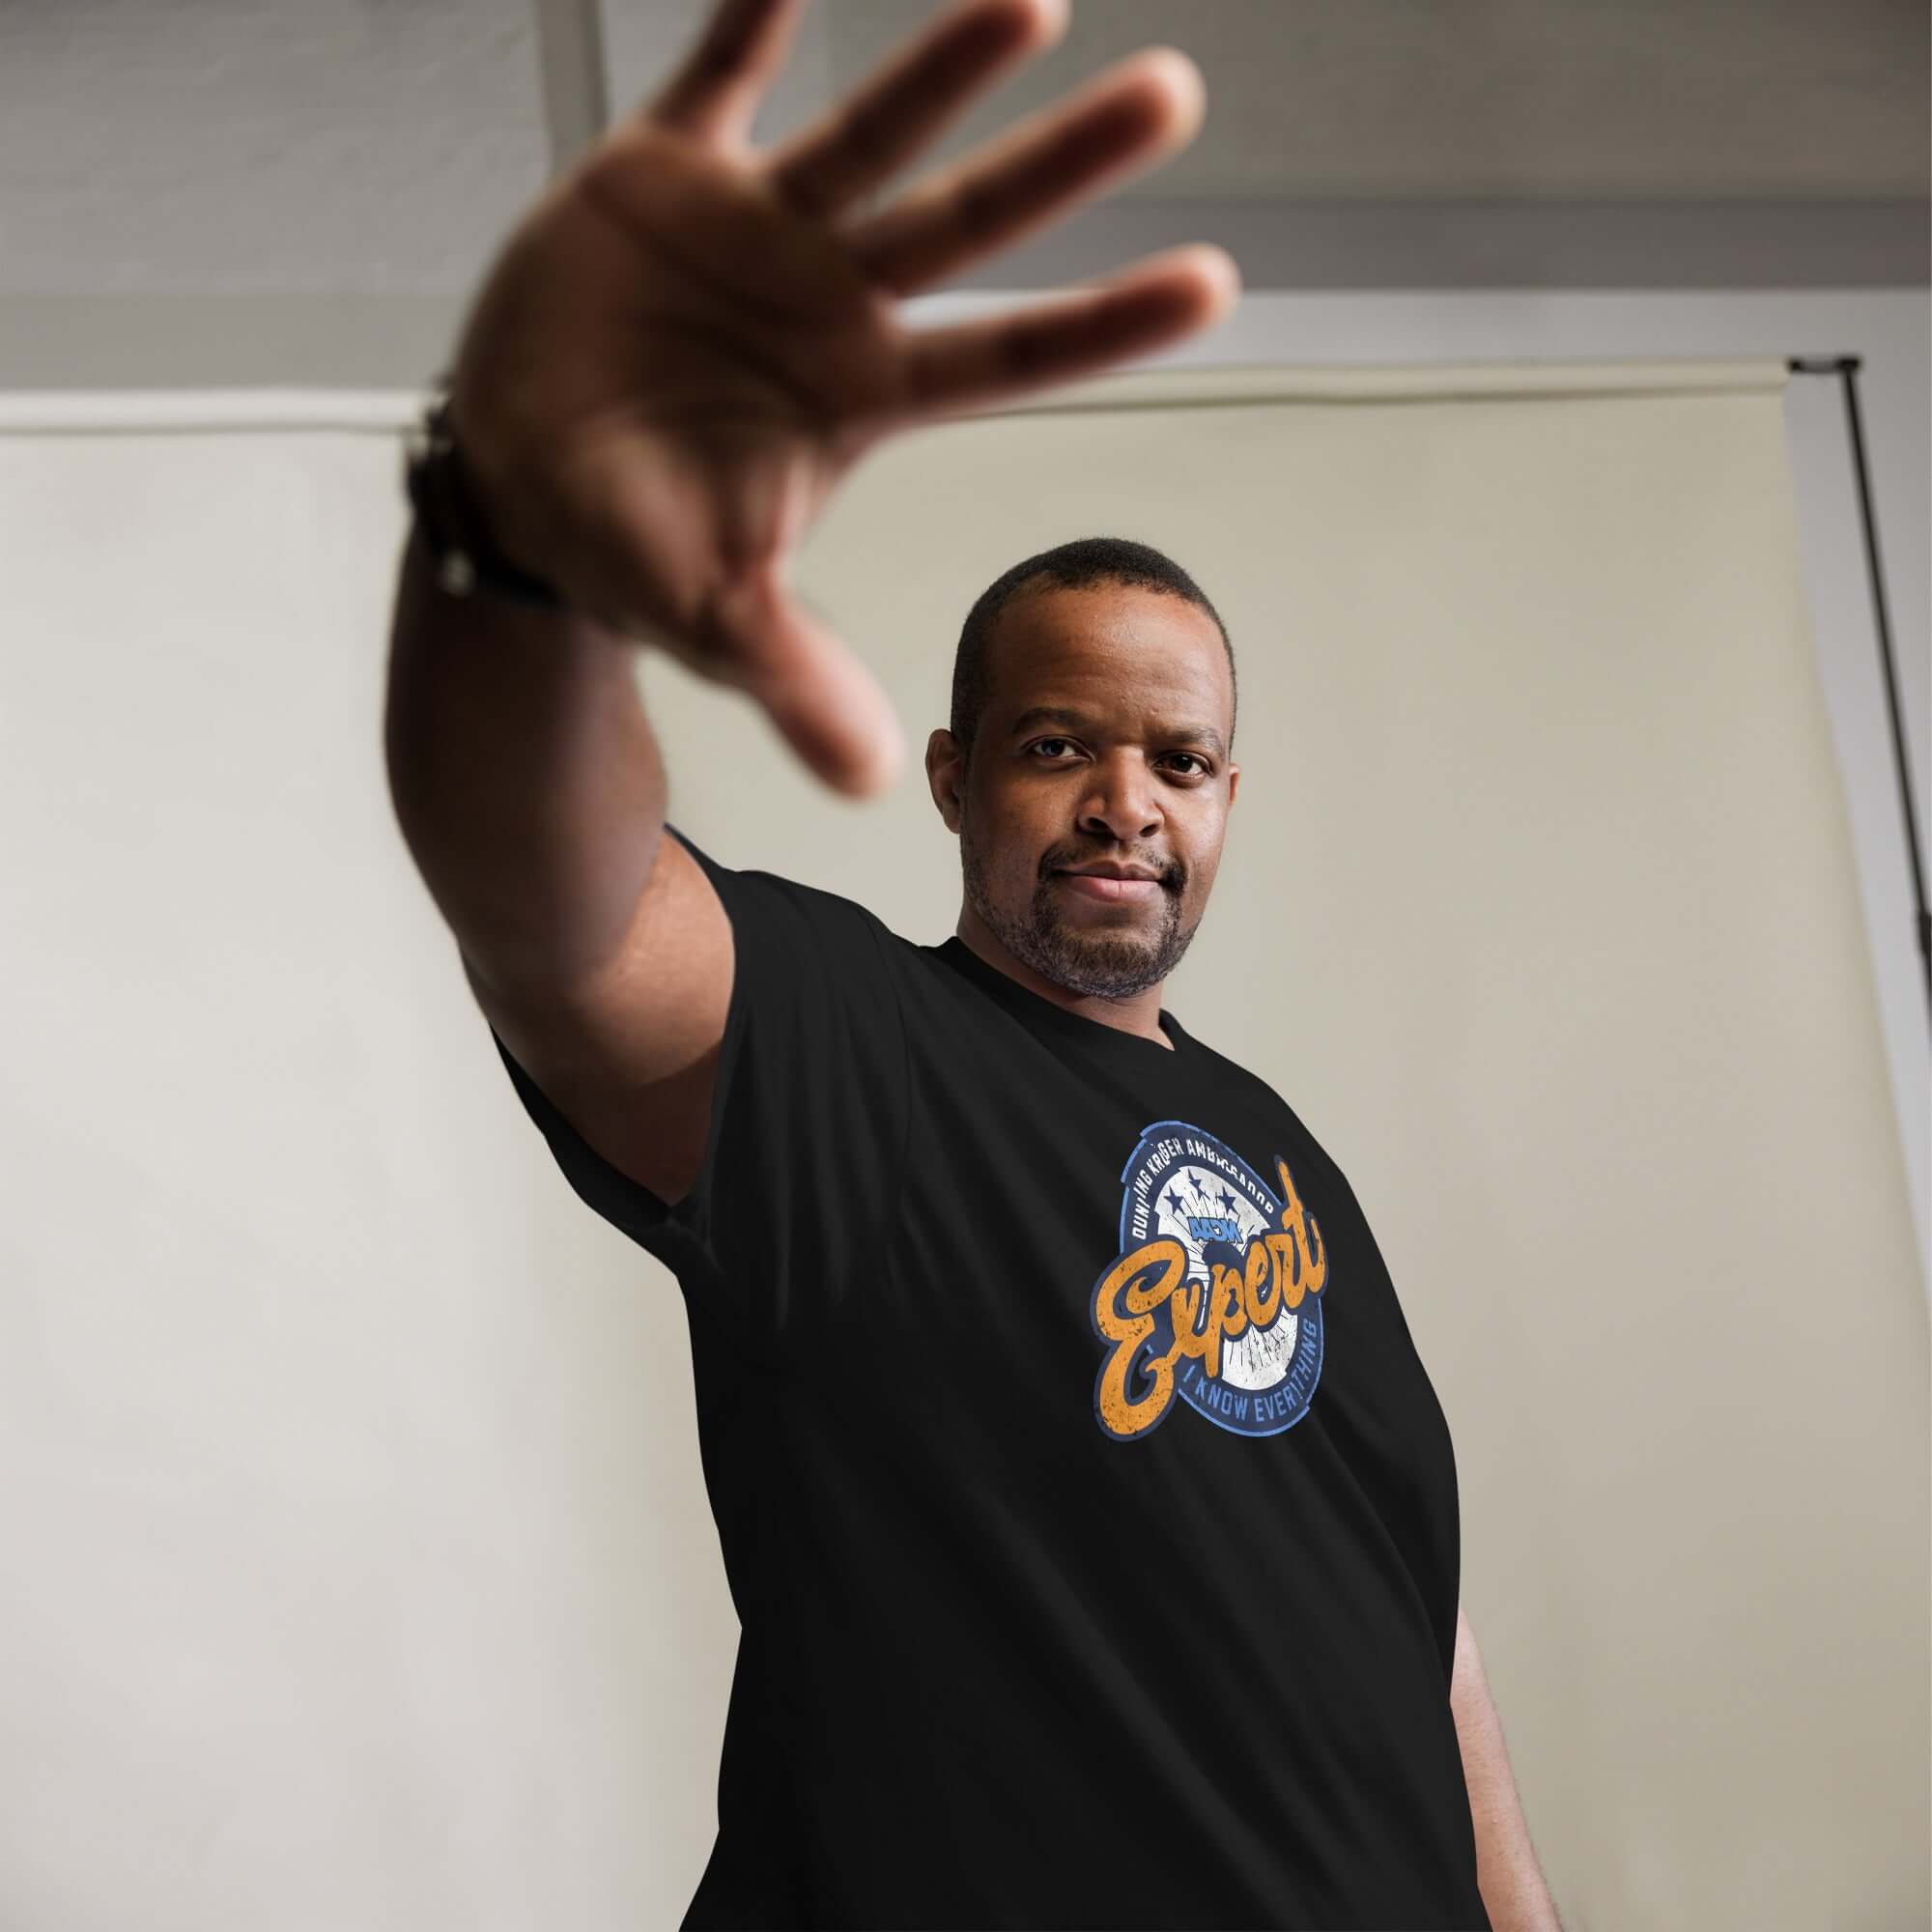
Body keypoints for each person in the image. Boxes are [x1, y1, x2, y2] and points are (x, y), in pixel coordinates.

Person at [384, 1, 1561, 1925]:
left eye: (1176, 760)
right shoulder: (859, 1051)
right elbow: (561, 917)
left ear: (1228, 797)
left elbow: (1415, 1621)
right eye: (1054, 745)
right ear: (953, 777)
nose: (1124, 800)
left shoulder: (1272, 1145)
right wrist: (523, 551)